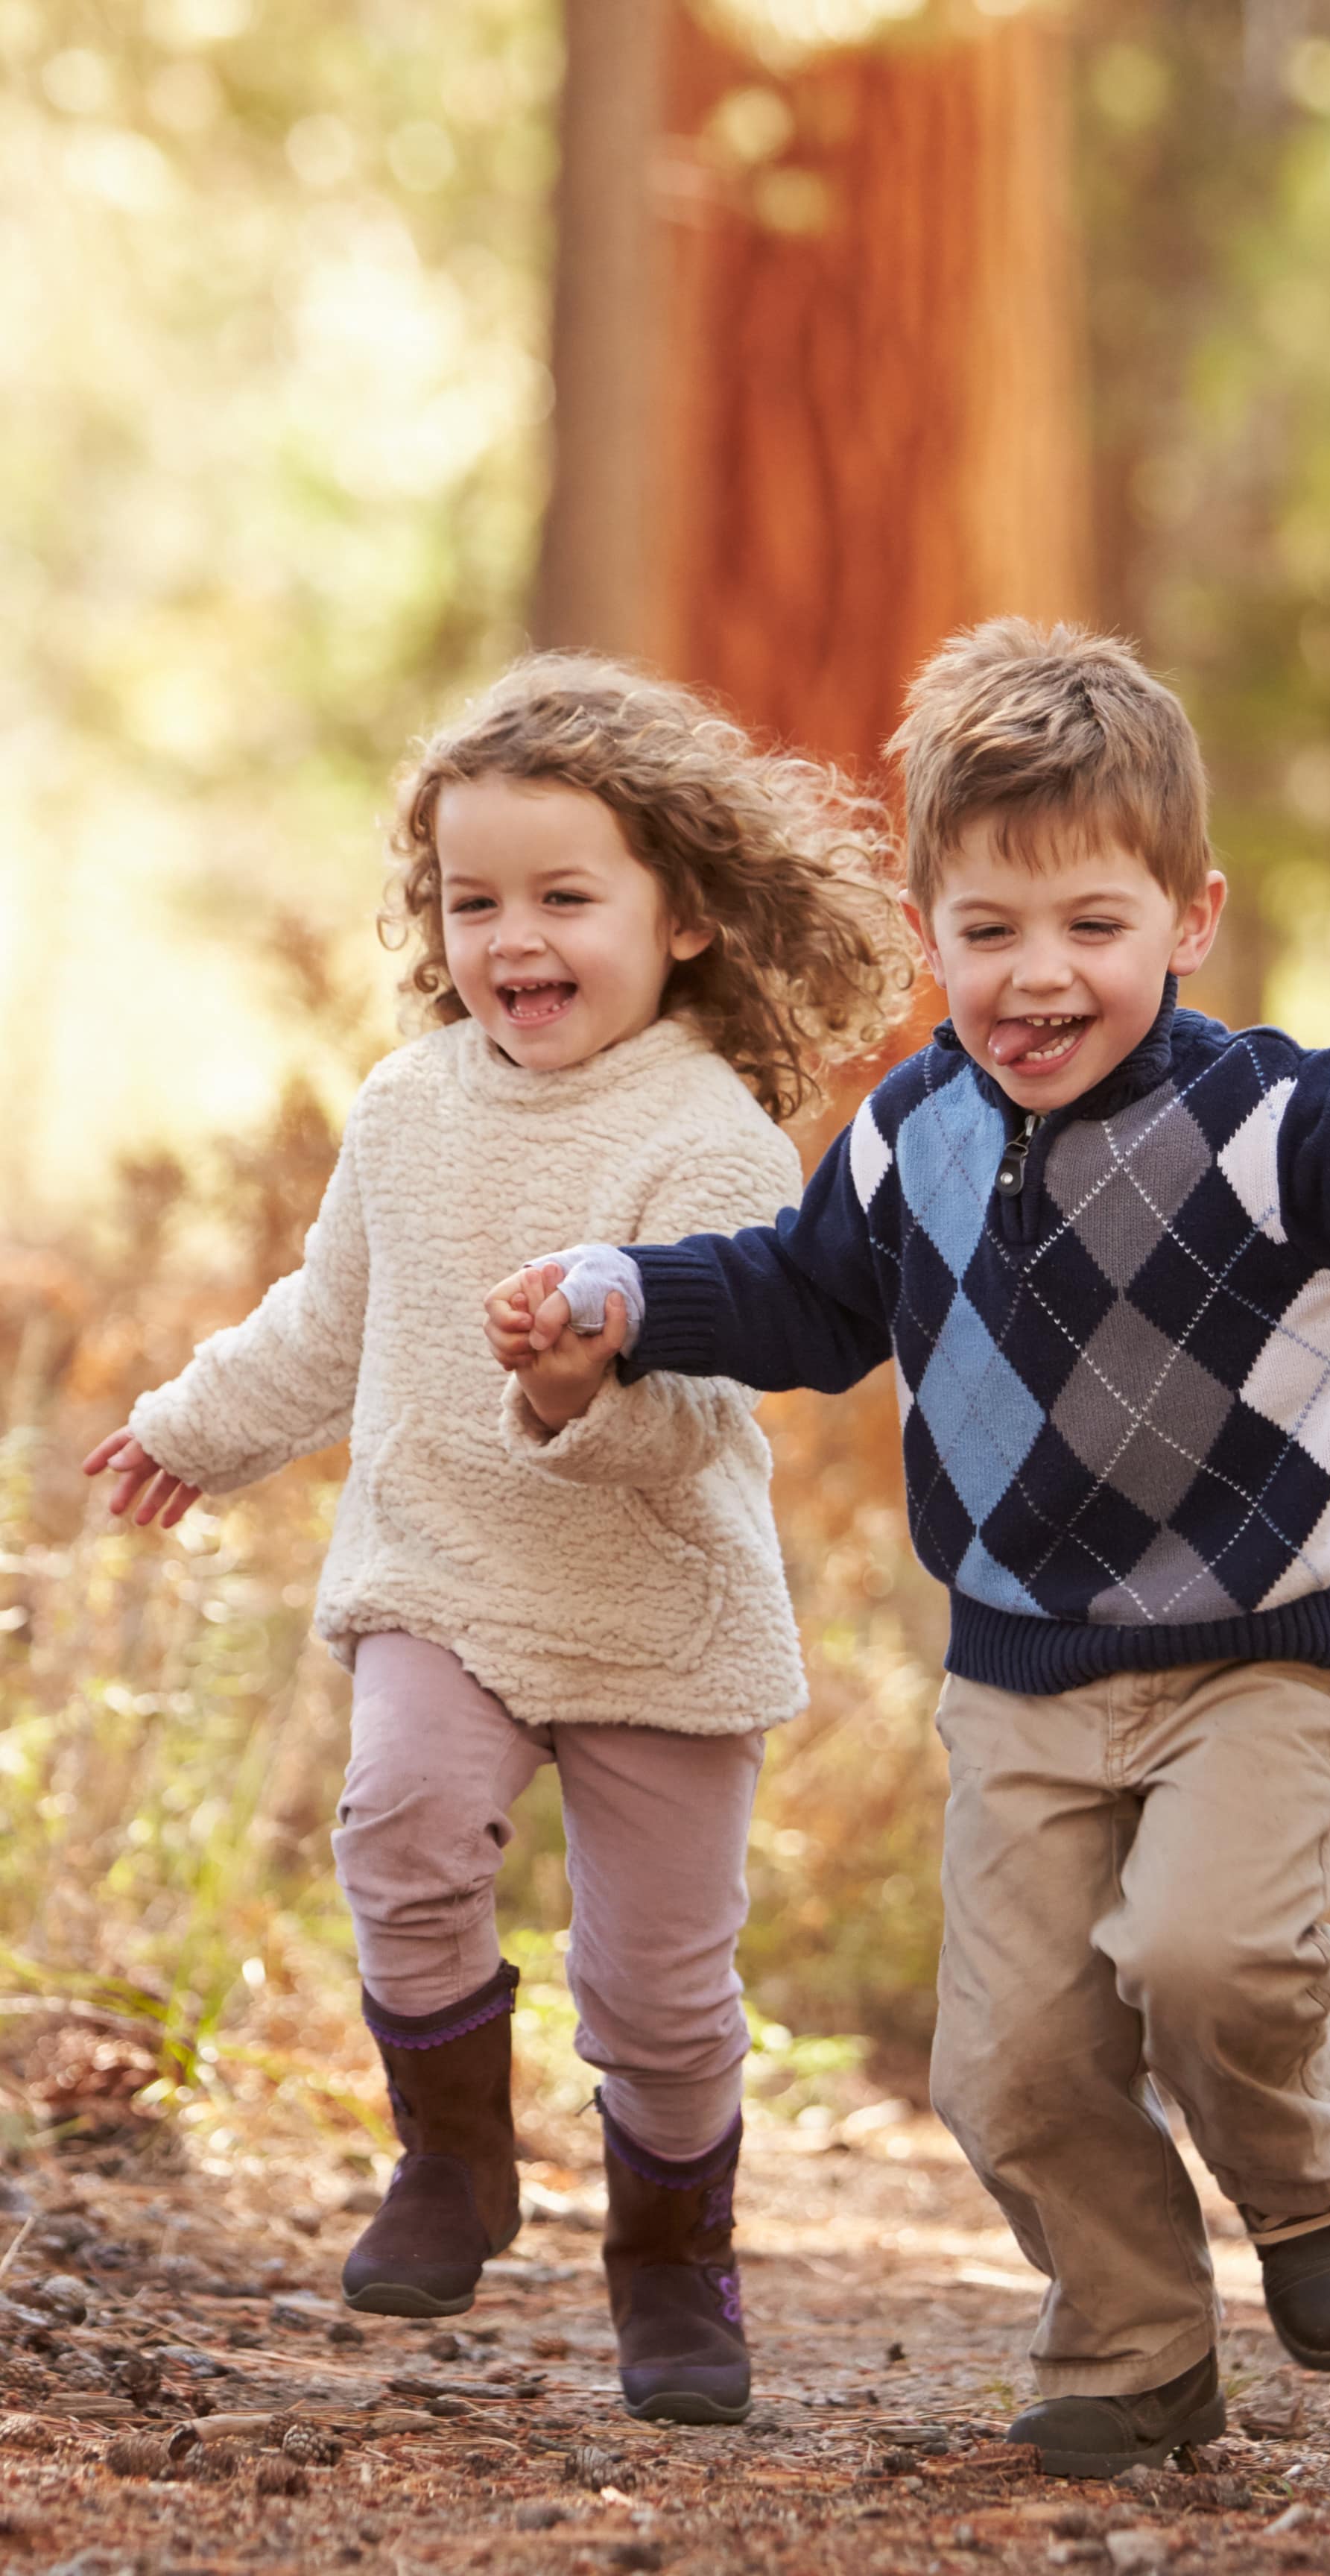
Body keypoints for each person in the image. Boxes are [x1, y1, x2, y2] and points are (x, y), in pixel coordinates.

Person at [487, 619, 1330, 2475]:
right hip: (1021, 1671)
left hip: (1251, 1646)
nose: (1040, 977)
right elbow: (807, 1307)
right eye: (990, 932)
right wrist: (624, 1296)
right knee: (1012, 2066)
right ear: (929, 927)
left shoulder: (1271, 1123)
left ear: (1190, 918)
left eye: (1093, 928)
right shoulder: (910, 1138)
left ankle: (1300, 2184)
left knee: (1212, 1963)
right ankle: (1131, 2341)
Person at [85, 657, 909, 2425]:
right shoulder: (411, 1107)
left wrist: (572, 1389)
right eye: (474, 902)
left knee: (664, 2000)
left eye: (564, 897)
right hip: (442, 1571)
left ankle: (674, 2259)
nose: (512, 939)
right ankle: (453, 2161)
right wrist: (188, 1431)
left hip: (656, 1611)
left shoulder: (713, 1140)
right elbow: (325, 1322)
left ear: (682, 915)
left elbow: (702, 1420)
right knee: (396, 1824)